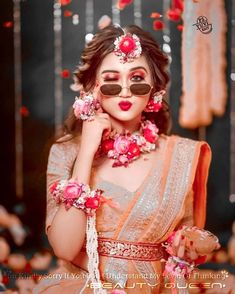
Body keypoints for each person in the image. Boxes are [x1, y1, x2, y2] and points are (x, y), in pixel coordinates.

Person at [33, 25, 219, 294]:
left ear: (154, 88)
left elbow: (182, 249)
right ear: (92, 88)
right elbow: (64, 247)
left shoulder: (182, 156)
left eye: (137, 78)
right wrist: (86, 152)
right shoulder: (66, 153)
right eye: (111, 79)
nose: (125, 90)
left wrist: (184, 250)